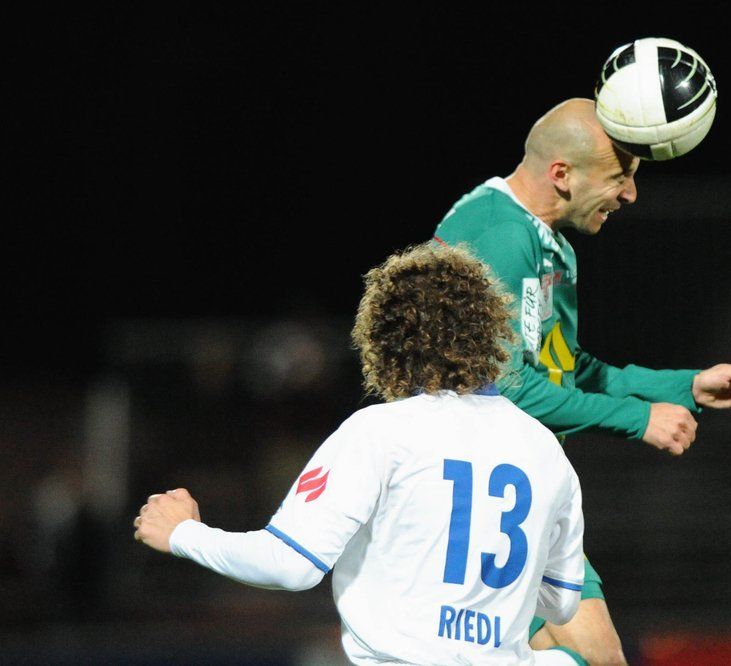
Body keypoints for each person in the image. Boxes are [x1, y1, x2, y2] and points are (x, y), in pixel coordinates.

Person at [134, 243, 590, 666]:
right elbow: (561, 602)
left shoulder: (381, 431)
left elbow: (290, 565)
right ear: (489, 333)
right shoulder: (544, 447)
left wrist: (184, 534)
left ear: (386, 340)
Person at [432, 98, 731, 665]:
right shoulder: (498, 235)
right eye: (619, 177)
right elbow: (505, 389)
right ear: (562, 174)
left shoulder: (550, 244)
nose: (630, 194)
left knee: (600, 659)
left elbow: (567, 368)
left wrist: (686, 387)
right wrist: (639, 420)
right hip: (467, 495)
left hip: (519, 488)